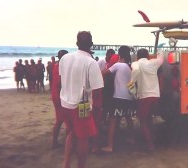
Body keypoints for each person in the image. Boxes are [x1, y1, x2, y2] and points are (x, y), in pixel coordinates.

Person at [59, 31, 103, 168]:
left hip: (65, 103)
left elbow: (63, 79)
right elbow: (97, 90)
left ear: (77, 43)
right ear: (91, 44)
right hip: (82, 105)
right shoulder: (91, 62)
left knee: (71, 133)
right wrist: (97, 109)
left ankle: (66, 163)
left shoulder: (65, 58)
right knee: (83, 138)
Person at [101, 45, 135, 153]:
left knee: (112, 121)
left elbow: (103, 73)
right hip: (128, 97)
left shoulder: (118, 65)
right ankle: (132, 139)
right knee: (129, 118)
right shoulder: (129, 68)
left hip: (118, 97)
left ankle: (110, 146)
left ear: (119, 54)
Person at [129, 48, 164, 151]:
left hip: (144, 96)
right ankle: (152, 138)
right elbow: (161, 57)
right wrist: (158, 51)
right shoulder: (154, 63)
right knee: (149, 117)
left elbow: (135, 71)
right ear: (148, 55)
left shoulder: (136, 63)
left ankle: (150, 144)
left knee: (142, 120)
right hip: (155, 95)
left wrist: (131, 83)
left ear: (137, 57)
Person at [51, 50, 68, 148]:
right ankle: (56, 142)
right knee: (63, 119)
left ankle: (55, 141)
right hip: (59, 95)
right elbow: (61, 83)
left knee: (61, 119)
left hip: (55, 94)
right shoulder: (62, 66)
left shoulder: (56, 65)